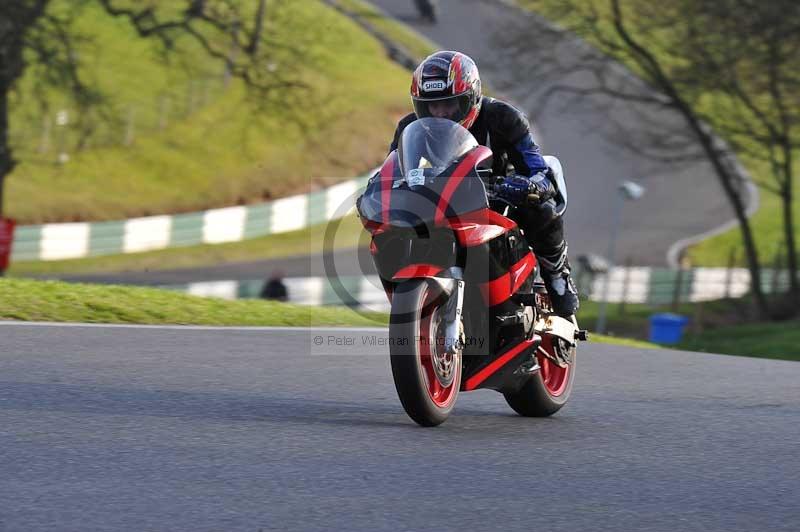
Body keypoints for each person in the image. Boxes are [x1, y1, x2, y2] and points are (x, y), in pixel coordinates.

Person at [389, 50, 579, 317]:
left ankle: (557, 274)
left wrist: (529, 186)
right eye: (432, 106)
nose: (441, 113)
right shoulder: (410, 127)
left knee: (540, 209)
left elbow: (539, 169)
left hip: (501, 196)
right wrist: (381, 190)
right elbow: (392, 170)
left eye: (450, 104)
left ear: (471, 98)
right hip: (444, 199)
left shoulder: (504, 118)